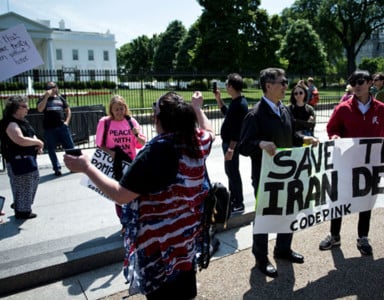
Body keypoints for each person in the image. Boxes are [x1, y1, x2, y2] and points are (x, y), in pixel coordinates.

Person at [64, 91, 215, 299]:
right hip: (187, 236)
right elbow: (209, 130)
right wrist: (198, 108)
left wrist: (87, 167)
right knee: (185, 285)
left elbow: (121, 195)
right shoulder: (196, 140)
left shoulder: (156, 152)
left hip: (159, 245)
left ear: (157, 119)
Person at [238, 67, 318, 278]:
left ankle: (282, 249)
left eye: (285, 81)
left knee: (288, 211)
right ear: (268, 86)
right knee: (264, 217)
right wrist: (260, 144)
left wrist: (303, 139)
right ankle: (261, 258)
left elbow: (290, 134)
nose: (286, 86)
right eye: (282, 82)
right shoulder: (254, 115)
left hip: (287, 173)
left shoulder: (284, 110)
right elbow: (244, 146)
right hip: (266, 177)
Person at [319, 70, 384, 256]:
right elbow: (332, 128)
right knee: (338, 200)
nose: (356, 85)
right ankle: (334, 235)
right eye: (353, 82)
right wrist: (335, 136)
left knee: (365, 201)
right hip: (346, 163)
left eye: (360, 81)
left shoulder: (380, 109)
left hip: (370, 165)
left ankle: (363, 237)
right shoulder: (343, 108)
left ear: (370, 82)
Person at [95, 95, 146, 229]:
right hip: (114, 164)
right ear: (111, 110)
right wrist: (111, 153)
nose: (119, 112)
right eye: (116, 109)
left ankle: (135, 219)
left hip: (130, 163)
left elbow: (142, 144)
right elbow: (99, 144)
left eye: (121, 108)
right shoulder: (105, 122)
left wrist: (136, 134)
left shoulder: (131, 121)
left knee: (134, 194)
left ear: (125, 108)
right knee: (118, 195)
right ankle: (124, 223)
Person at [0, 96, 44, 219]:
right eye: (24, 106)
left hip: (27, 158)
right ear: (14, 108)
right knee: (23, 184)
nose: (27, 108)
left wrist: (37, 143)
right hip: (17, 160)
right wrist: (38, 143)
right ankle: (22, 211)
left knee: (33, 180)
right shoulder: (10, 123)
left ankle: (20, 205)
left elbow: (31, 134)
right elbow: (20, 140)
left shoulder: (23, 121)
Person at [213, 73, 248, 214]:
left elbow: (237, 130)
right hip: (228, 144)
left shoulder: (240, 104)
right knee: (230, 172)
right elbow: (227, 114)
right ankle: (234, 199)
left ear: (231, 86)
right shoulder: (236, 102)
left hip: (231, 145)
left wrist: (231, 149)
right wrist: (218, 99)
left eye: (227, 84)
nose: (226, 87)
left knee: (233, 172)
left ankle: (238, 202)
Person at [37, 81, 74, 176]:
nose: (52, 89)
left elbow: (68, 110)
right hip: (50, 129)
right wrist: (46, 97)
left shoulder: (60, 98)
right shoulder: (42, 99)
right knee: (51, 149)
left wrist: (67, 122)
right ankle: (57, 168)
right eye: (49, 87)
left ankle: (73, 166)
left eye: (53, 87)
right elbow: (40, 109)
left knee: (70, 147)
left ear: (57, 88)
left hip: (62, 127)